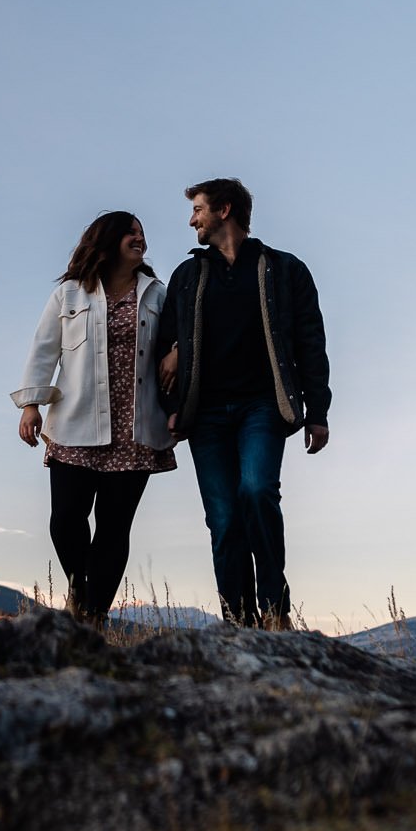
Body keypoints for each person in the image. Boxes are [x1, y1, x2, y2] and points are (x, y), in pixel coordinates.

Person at [152, 178, 329, 628]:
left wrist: (318, 412)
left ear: (224, 210)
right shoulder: (188, 275)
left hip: (263, 408)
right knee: (224, 518)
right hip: (205, 413)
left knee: (256, 492)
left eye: (198, 209)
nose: (192, 219)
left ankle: (274, 610)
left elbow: (310, 342)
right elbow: (163, 344)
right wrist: (172, 399)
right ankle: (238, 619)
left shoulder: (285, 270)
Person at [12, 211, 176, 623]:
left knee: (113, 528)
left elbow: (178, 342)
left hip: (135, 428)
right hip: (76, 423)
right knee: (65, 520)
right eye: (132, 233)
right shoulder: (69, 294)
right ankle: (80, 590)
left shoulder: (157, 294)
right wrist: (31, 404)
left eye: (143, 234)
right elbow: (44, 348)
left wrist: (178, 352)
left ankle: (93, 616)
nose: (140, 239)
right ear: (108, 239)